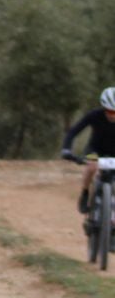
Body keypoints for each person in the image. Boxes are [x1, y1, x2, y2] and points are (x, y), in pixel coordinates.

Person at [60, 86, 115, 216]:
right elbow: (73, 131)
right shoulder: (95, 115)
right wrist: (66, 149)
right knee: (92, 166)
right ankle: (85, 193)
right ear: (104, 108)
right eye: (109, 111)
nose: (112, 115)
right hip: (94, 149)